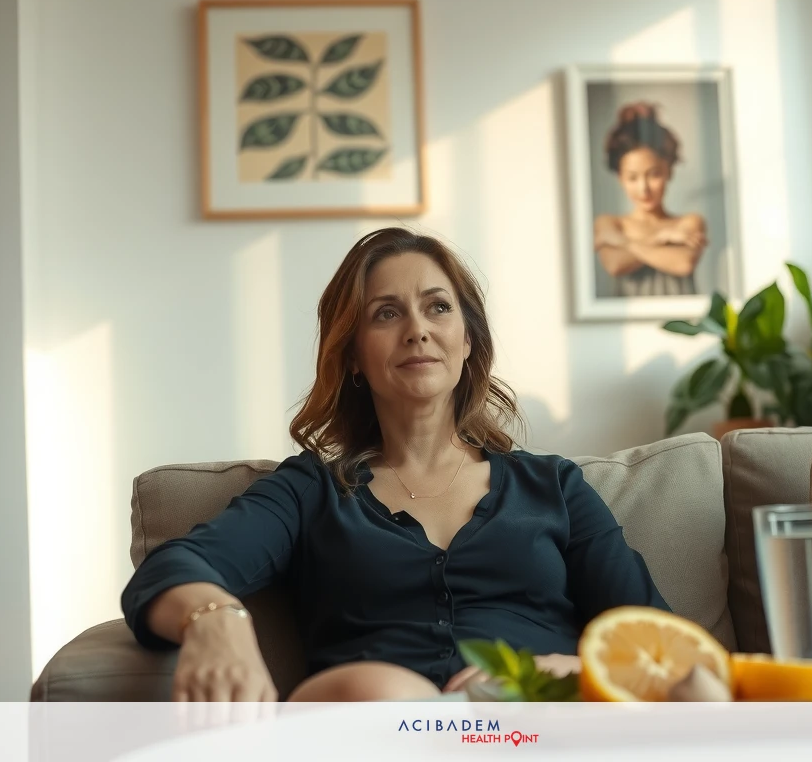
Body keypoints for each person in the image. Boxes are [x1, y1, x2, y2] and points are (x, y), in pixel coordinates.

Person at [120, 228, 671, 702]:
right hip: (370, 731)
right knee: (384, 694)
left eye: (438, 307)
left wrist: (558, 672)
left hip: (531, 731)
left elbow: (663, 646)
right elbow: (171, 570)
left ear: (468, 340)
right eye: (386, 313)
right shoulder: (310, 490)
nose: (417, 329)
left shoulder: (554, 487)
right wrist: (214, 618)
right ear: (354, 356)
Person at [593, 101, 708, 297]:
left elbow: (683, 264)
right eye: (632, 177)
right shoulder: (609, 223)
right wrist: (661, 238)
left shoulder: (689, 223)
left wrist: (623, 243)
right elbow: (615, 265)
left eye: (654, 175)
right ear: (620, 178)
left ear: (669, 171)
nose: (643, 188)